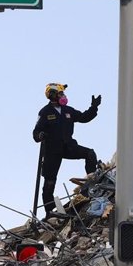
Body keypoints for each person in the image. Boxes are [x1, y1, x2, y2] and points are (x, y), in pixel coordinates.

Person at [33, 83, 101, 219]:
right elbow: (36, 132)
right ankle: (50, 212)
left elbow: (84, 117)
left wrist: (94, 107)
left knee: (89, 154)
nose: (63, 96)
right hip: (52, 150)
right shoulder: (45, 112)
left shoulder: (68, 111)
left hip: (68, 146)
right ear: (52, 95)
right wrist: (40, 135)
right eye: (60, 94)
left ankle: (90, 186)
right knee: (49, 182)